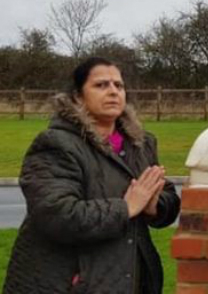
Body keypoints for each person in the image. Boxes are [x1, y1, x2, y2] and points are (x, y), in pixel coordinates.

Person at [3, 57, 181, 294]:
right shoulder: (56, 145)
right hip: (71, 280)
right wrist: (125, 208)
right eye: (101, 85)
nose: (112, 92)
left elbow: (167, 194)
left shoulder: (141, 144)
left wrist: (154, 206)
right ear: (78, 96)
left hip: (130, 276)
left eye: (119, 85)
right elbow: (57, 215)